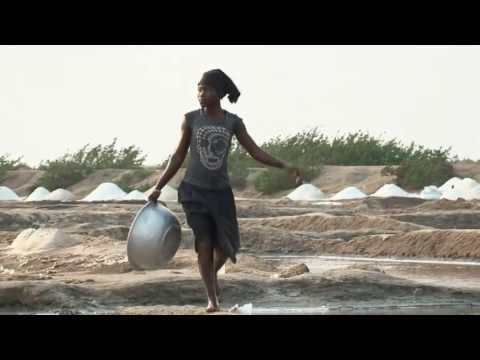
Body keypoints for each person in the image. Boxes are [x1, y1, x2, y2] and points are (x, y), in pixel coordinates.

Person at [148, 69, 301, 313]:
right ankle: (212, 299)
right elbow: (178, 156)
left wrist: (284, 165)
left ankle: (211, 275)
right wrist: (158, 186)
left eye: (206, 89)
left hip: (220, 193)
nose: (200, 94)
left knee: (229, 248)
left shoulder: (233, 122)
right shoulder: (191, 119)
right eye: (198, 89)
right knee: (205, 241)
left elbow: (255, 151)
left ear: (218, 93)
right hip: (193, 192)